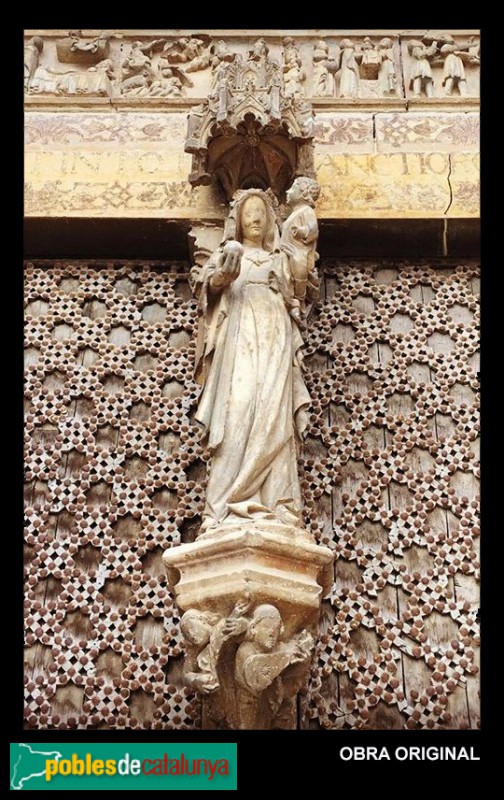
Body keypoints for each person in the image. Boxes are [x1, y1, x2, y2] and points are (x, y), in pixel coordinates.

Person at [192, 187, 317, 534]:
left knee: (274, 414)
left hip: (275, 338)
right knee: (238, 412)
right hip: (239, 341)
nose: (256, 218)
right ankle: (222, 508)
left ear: (271, 219)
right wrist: (221, 278)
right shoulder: (228, 254)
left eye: (261, 212)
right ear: (237, 220)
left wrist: (294, 275)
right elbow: (207, 291)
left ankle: (278, 505)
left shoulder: (278, 258)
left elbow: (300, 293)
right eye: (249, 212)